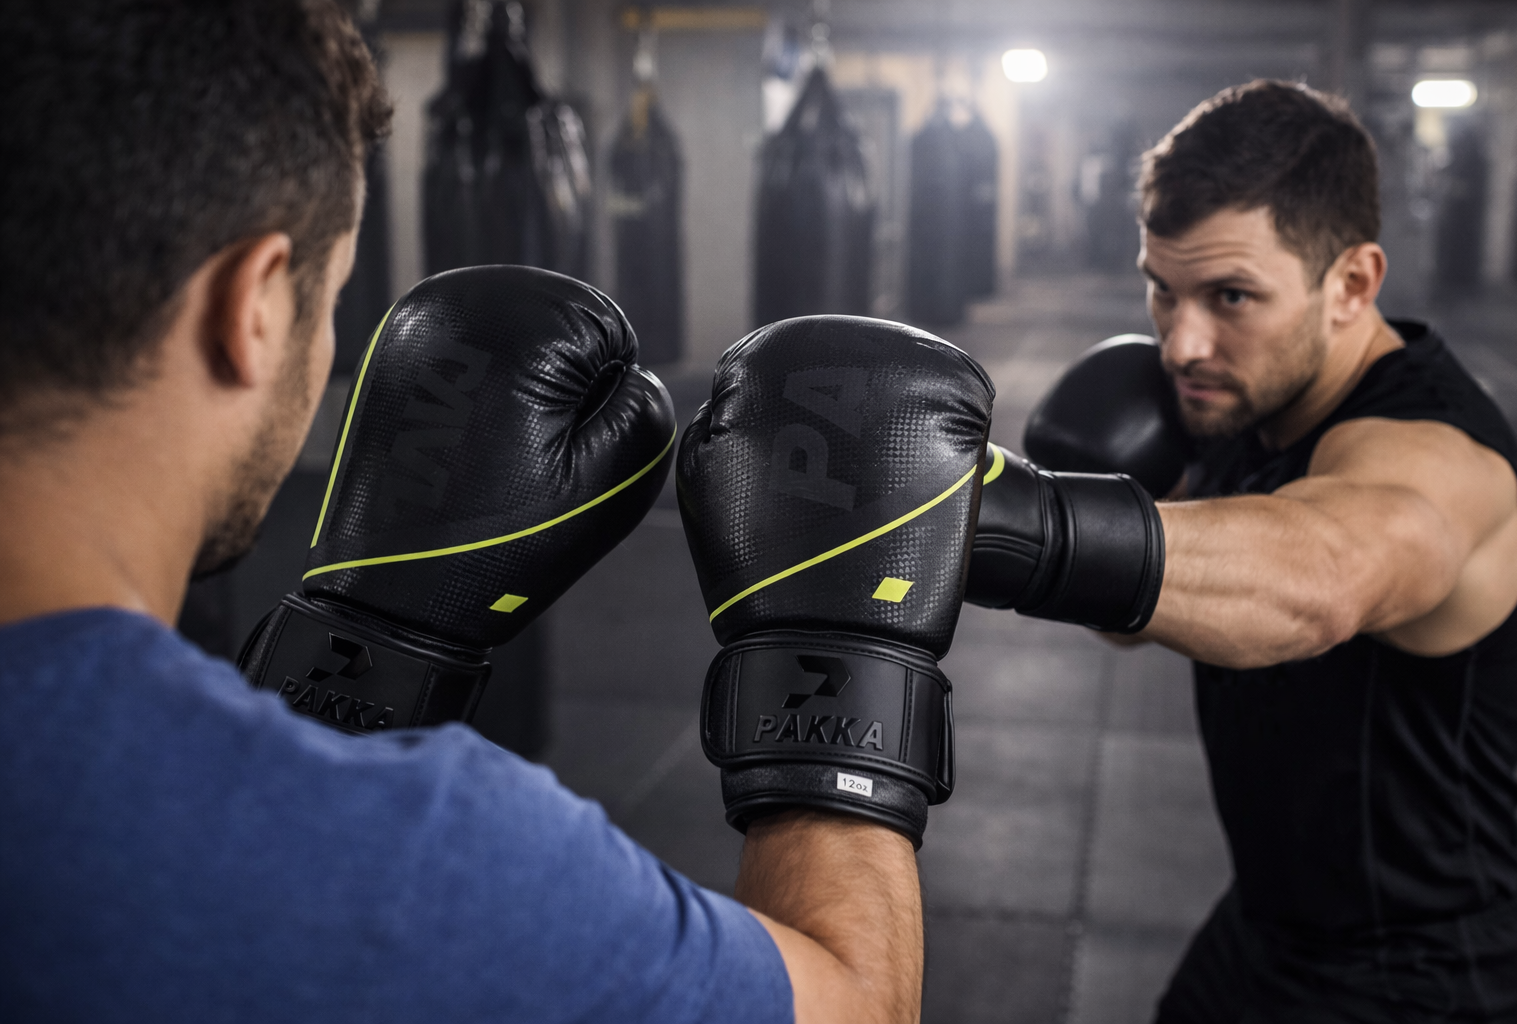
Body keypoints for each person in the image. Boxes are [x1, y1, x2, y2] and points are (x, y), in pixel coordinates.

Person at [0, 4, 926, 1022]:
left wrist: (361, 659)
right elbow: (854, 1005)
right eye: (329, 296)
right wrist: (835, 647)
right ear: (254, 306)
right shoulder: (410, 856)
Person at [966, 80, 1517, 1021]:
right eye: (1162, 288)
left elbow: (1316, 580)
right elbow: (1134, 620)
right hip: (1267, 927)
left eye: (1231, 296)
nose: (1183, 343)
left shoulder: (1438, 459)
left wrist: (993, 517)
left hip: (1421, 976)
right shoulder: (1238, 397)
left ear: (1352, 285)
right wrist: (1104, 520)